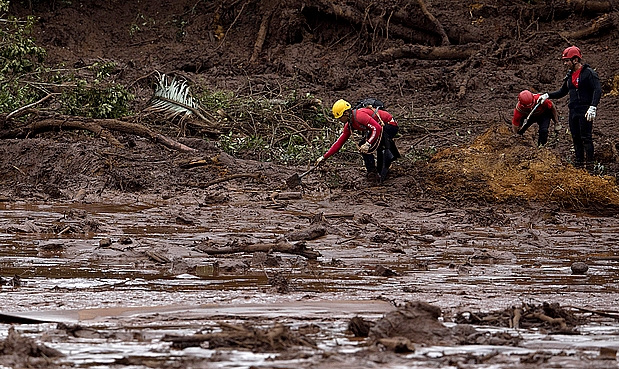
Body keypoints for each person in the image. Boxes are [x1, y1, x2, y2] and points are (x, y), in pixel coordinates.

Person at [537, 45, 602, 168]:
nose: (565, 63)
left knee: (586, 137)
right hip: (573, 111)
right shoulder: (569, 76)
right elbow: (562, 92)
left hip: (585, 110)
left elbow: (597, 90)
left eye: (567, 60)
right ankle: (578, 165)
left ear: (575, 60)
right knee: (576, 137)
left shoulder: (589, 74)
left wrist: (593, 107)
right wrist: (547, 95)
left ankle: (590, 167)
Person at [315, 99, 400, 183]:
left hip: (389, 125)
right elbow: (339, 143)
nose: (339, 120)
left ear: (346, 113)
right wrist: (324, 157)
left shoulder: (359, 116)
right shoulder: (349, 125)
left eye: (340, 118)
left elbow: (377, 128)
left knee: (375, 145)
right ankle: (373, 172)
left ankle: (378, 172)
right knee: (363, 145)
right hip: (380, 128)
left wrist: (368, 144)